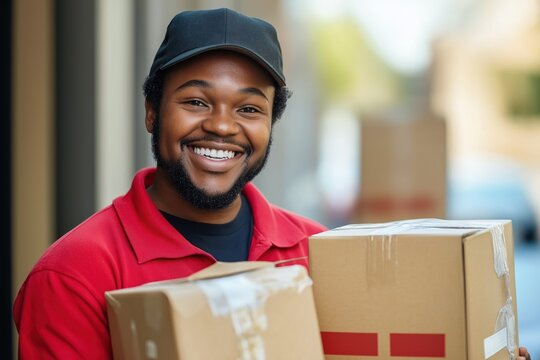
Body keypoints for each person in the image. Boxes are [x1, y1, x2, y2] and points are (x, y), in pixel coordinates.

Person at [13, 7, 532, 360]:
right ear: (152, 112)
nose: (221, 126)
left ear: (269, 126)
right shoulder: (76, 274)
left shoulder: (315, 251)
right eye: (195, 101)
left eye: (248, 108)